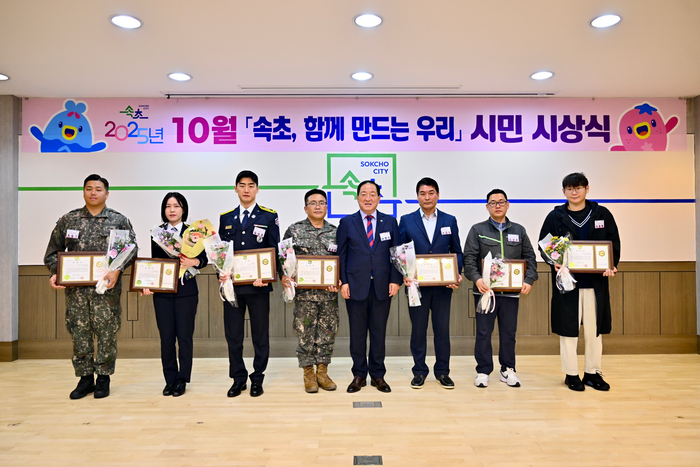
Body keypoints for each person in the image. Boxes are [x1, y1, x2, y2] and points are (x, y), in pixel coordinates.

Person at [44, 174, 137, 399]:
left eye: (98, 189)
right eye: (89, 188)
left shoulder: (118, 221)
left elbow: (130, 250)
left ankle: (103, 378)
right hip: (76, 292)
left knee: (107, 332)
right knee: (79, 332)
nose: (93, 193)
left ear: (107, 193)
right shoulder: (69, 220)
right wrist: (56, 273)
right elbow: (53, 253)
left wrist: (117, 270)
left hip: (106, 290)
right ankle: (85, 378)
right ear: (83, 191)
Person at [538, 173, 620, 392]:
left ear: (587, 189)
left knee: (594, 330)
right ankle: (571, 374)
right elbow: (544, 244)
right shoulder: (555, 216)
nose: (574, 192)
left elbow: (613, 242)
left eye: (578, 188)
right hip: (568, 284)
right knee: (568, 330)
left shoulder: (601, 213)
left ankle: (592, 373)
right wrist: (553, 261)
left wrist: (611, 264)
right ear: (563, 191)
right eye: (570, 189)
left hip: (595, 283)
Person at [463, 189, 538, 388]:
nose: (497, 205)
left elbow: (530, 258)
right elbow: (469, 258)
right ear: (487, 206)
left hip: (511, 293)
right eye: (493, 202)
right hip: (485, 293)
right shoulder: (477, 230)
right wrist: (477, 279)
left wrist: (528, 279)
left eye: (501, 202)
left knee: (508, 333)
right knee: (483, 332)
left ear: (507, 204)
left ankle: (508, 369)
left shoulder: (519, 230)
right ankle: (483, 371)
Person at [218, 170, 280, 397]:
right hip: (232, 287)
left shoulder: (268, 216)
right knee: (233, 335)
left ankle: (257, 378)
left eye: (251, 185)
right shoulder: (226, 218)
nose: (246, 189)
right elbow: (221, 252)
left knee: (260, 335)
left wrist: (268, 274)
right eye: (242, 185)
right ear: (235, 188)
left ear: (257, 189)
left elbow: (274, 249)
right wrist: (221, 272)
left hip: (258, 286)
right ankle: (238, 378)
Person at [337, 180, 402, 393]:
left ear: (379, 198)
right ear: (357, 197)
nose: (368, 198)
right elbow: (341, 255)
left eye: (372, 194)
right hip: (355, 286)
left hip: (383, 286)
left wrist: (395, 280)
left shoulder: (390, 221)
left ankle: (377, 375)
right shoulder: (347, 222)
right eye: (363, 194)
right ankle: (358, 375)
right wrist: (344, 282)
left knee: (378, 333)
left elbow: (396, 253)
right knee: (357, 334)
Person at [398, 177, 463, 390]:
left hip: (443, 288)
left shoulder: (449, 220)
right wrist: (404, 274)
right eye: (423, 193)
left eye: (431, 193)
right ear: (417, 196)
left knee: (442, 331)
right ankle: (419, 371)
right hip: (416, 287)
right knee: (418, 330)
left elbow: (457, 251)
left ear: (438, 195)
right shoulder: (406, 220)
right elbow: (400, 252)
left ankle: (443, 372)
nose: (427, 197)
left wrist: (456, 273)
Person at [141, 193, 208, 397]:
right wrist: (148, 284)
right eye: (168, 206)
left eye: (176, 206)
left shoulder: (193, 232)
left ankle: (182, 379)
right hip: (163, 293)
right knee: (167, 337)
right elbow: (154, 262)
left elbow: (204, 259)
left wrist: (193, 262)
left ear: (183, 209)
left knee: (185, 337)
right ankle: (170, 379)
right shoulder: (158, 233)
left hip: (187, 291)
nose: (172, 210)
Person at [281, 189, 340, 393]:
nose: (317, 206)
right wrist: (284, 276)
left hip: (329, 295)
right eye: (313, 203)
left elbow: (342, 260)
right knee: (305, 334)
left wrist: (338, 280)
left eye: (321, 202)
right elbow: (283, 258)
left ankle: (322, 373)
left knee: (327, 334)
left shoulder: (335, 232)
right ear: (305, 208)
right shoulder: (294, 230)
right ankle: (308, 374)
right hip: (304, 296)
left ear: (327, 207)